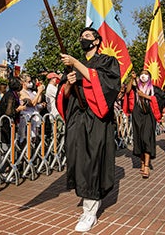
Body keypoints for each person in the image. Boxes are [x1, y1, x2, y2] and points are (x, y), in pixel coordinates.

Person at [56, 27, 120, 232]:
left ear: (97, 41)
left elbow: (107, 86)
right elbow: (64, 94)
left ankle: (89, 212)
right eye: (81, 36)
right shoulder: (75, 67)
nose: (83, 39)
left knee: (91, 161)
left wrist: (75, 64)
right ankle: (89, 199)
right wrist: (68, 84)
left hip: (96, 120)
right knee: (78, 159)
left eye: (87, 36)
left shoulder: (107, 61)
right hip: (77, 119)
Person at [126, 70, 165, 178]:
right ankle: (142, 162)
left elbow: (161, 99)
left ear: (149, 77)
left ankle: (147, 165)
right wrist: (132, 79)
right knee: (139, 139)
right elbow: (128, 91)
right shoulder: (135, 87)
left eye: (146, 74)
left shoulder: (154, 89)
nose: (144, 76)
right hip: (137, 115)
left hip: (149, 115)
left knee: (146, 138)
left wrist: (145, 96)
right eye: (142, 74)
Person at [0, 77, 26, 145]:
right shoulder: (10, 95)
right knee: (6, 143)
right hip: (5, 124)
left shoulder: (13, 94)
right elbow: (8, 112)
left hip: (10, 123)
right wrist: (19, 109)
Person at [19, 74, 45, 144]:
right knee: (26, 139)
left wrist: (40, 91)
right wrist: (39, 92)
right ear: (23, 82)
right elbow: (32, 103)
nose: (30, 83)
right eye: (29, 81)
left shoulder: (30, 91)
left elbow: (38, 101)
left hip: (34, 117)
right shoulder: (21, 92)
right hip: (26, 117)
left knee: (33, 138)